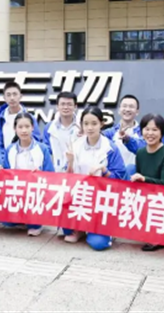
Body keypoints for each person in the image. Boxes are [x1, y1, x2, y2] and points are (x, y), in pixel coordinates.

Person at [65, 107, 126, 250]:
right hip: (81, 197)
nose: (90, 127)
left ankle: (104, 229)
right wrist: (70, 162)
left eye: (94, 123)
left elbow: (119, 177)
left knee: (99, 243)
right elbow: (68, 177)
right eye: (86, 124)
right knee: (65, 229)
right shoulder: (76, 145)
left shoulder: (110, 148)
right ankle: (80, 229)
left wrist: (104, 170)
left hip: (102, 199)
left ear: (101, 124)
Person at [3, 113, 54, 236]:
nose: (24, 130)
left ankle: (35, 221)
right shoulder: (10, 149)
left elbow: (51, 174)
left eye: (27, 126)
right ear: (15, 129)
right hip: (17, 192)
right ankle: (21, 217)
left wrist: (40, 175)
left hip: (36, 193)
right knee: (6, 221)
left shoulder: (42, 149)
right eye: (20, 127)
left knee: (34, 224)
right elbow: (6, 173)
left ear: (33, 128)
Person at [130, 113, 164, 252]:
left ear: (162, 132)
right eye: (147, 129)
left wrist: (145, 179)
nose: (150, 133)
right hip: (145, 198)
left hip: (161, 200)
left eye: (155, 130)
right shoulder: (140, 153)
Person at [0, 81, 40, 156]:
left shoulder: (29, 117)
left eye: (15, 94)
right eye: (8, 95)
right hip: (6, 159)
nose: (12, 98)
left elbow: (36, 140)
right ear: (4, 98)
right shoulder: (1, 118)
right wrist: (4, 159)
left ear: (20, 96)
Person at [104, 94, 142, 179]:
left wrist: (128, 139)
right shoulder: (110, 133)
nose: (127, 109)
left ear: (137, 111)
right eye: (124, 106)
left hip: (134, 179)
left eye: (131, 106)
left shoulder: (143, 133)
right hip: (114, 178)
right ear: (119, 110)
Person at [43, 92, 81, 172]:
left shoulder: (82, 127)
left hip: (78, 172)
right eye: (62, 104)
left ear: (75, 107)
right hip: (55, 172)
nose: (66, 107)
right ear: (57, 106)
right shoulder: (49, 127)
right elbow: (47, 151)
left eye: (69, 104)